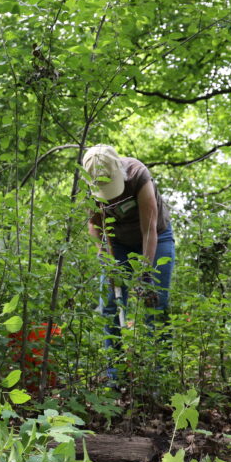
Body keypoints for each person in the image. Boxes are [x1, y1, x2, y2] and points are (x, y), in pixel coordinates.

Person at [82, 144, 175, 371]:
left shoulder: (137, 175)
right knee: (110, 304)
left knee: (156, 301)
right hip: (118, 244)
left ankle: (159, 370)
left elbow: (149, 229)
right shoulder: (89, 182)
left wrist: (145, 273)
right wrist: (104, 256)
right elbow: (95, 225)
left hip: (156, 238)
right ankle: (115, 372)